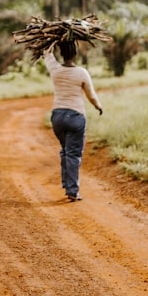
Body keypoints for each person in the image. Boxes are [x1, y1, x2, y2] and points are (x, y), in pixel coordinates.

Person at [43, 40, 103, 202]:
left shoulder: (55, 69)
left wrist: (52, 41)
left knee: (65, 150)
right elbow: (91, 95)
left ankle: (67, 184)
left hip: (57, 117)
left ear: (61, 53)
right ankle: (72, 190)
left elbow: (46, 54)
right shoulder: (82, 73)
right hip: (75, 117)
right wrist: (98, 106)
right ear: (75, 54)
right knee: (73, 154)